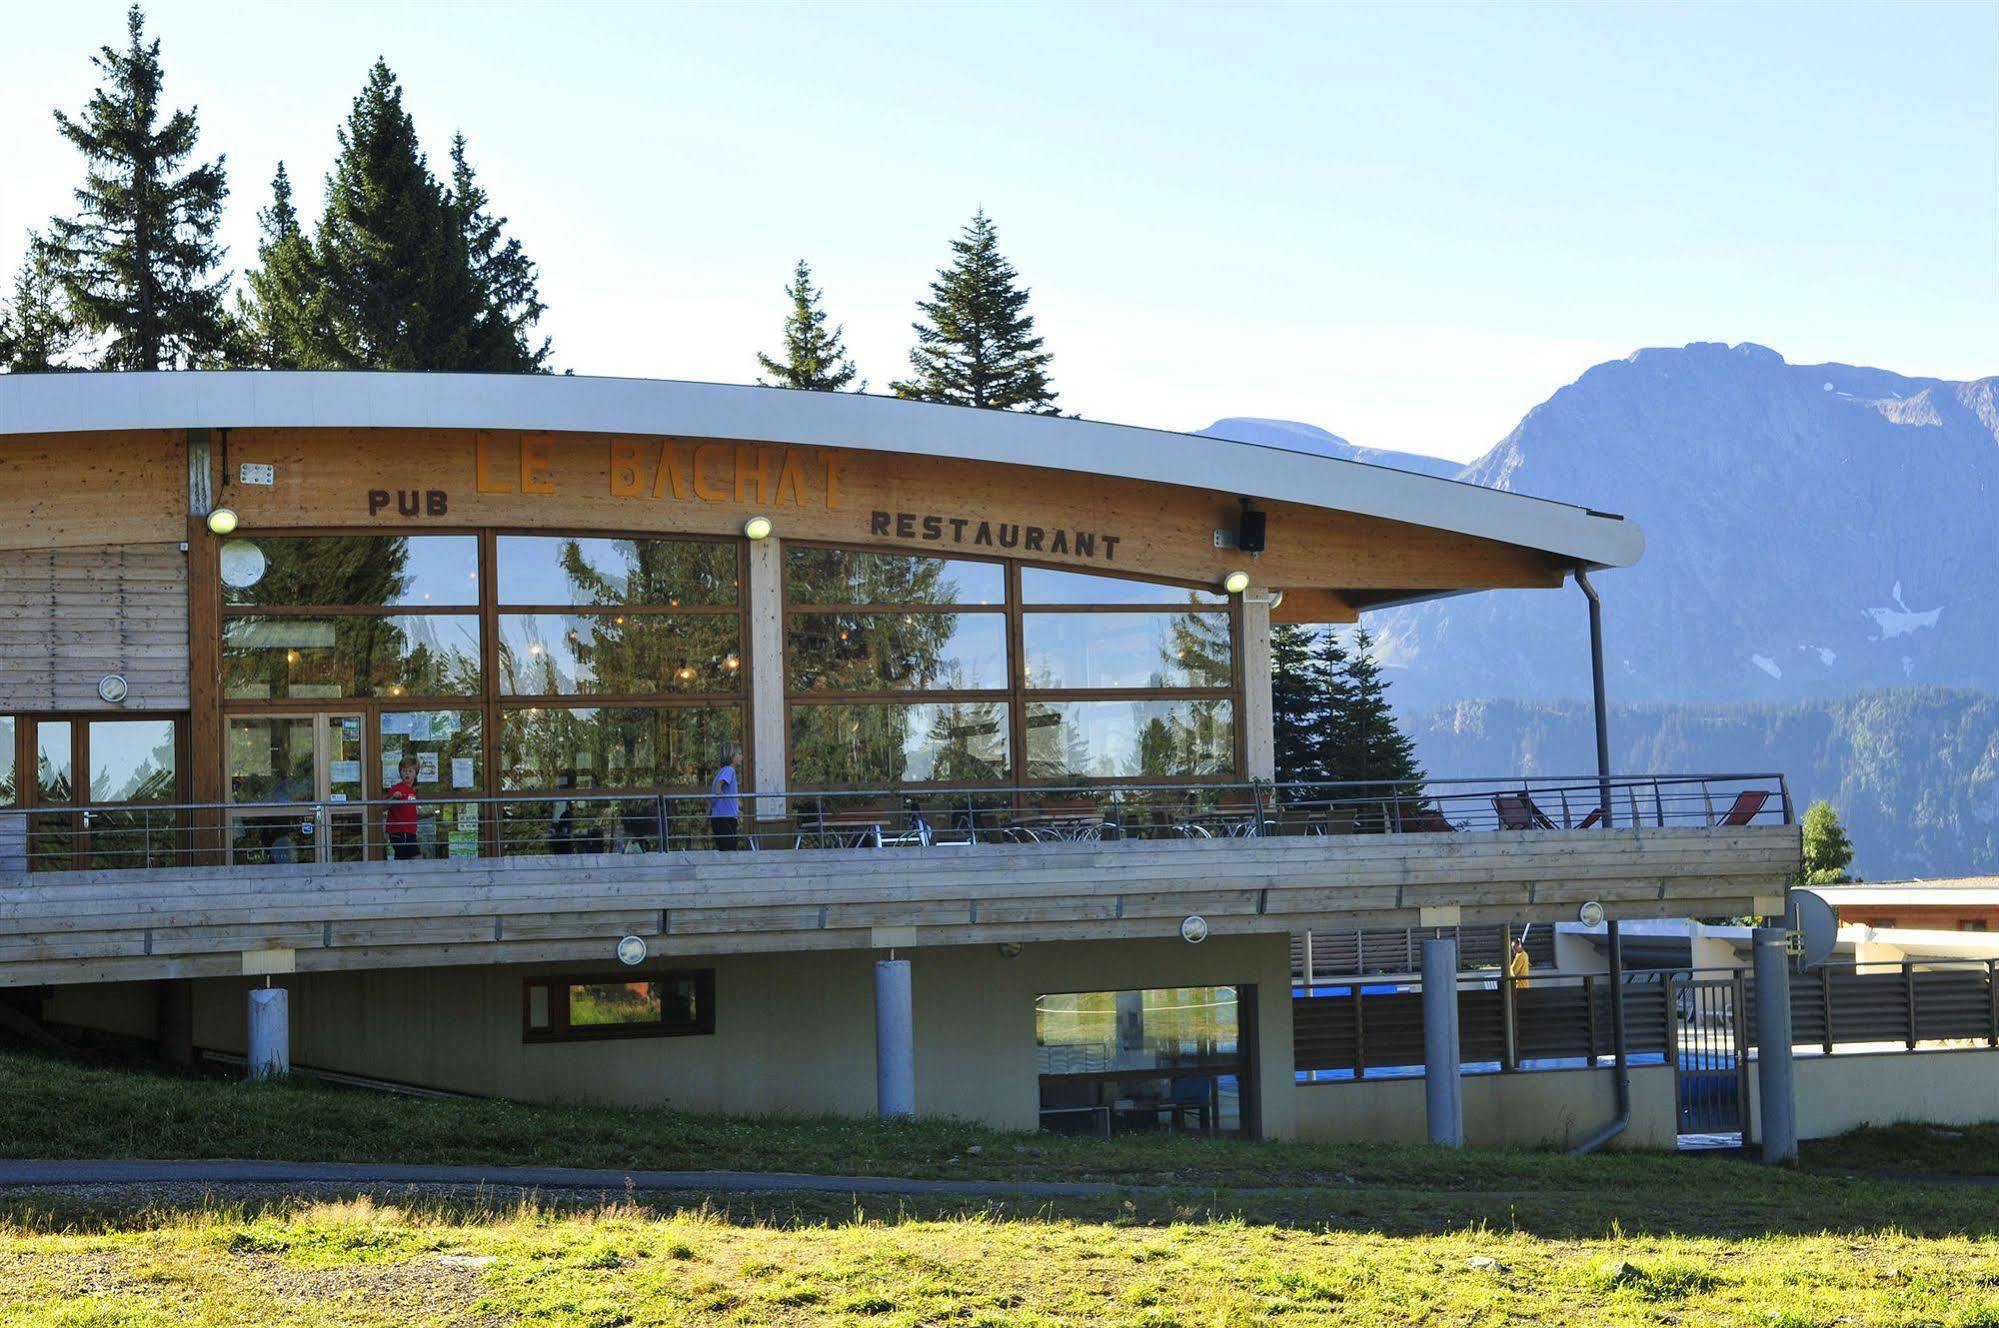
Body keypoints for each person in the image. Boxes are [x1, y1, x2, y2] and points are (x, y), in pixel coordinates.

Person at [385, 757, 421, 860]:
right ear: (400, 773)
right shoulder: (396, 788)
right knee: (416, 857)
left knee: (402, 859)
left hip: (410, 831)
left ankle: (398, 875)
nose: (407, 774)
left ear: (416, 773)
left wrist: (427, 815)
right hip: (399, 831)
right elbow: (384, 806)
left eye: (410, 771)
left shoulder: (413, 791)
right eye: (404, 771)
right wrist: (393, 798)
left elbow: (410, 812)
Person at [709, 743, 743, 850]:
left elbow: (713, 801)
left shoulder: (721, 772)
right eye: (739, 754)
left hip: (718, 818)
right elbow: (720, 785)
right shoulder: (730, 770)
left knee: (724, 850)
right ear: (732, 757)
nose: (742, 757)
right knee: (730, 851)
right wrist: (720, 793)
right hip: (726, 818)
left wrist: (737, 803)